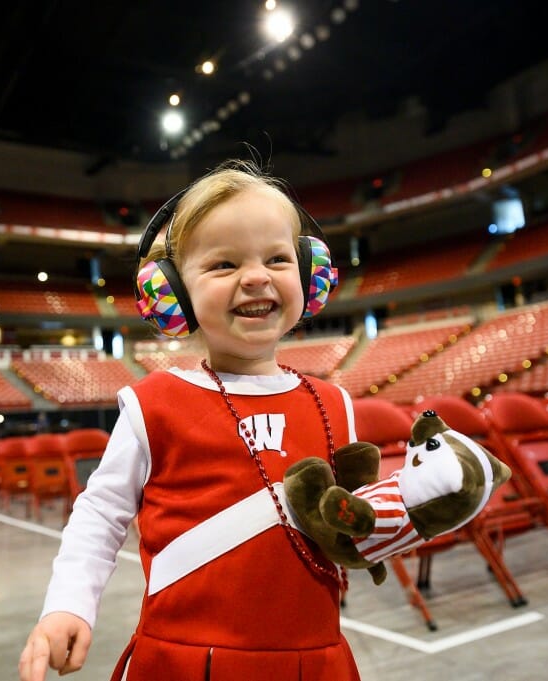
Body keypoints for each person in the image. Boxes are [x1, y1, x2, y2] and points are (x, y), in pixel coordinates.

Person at [19, 159, 365, 680]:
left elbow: (356, 525)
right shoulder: (153, 404)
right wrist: (67, 604)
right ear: (174, 294)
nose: (255, 277)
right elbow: (100, 514)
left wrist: (421, 502)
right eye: (223, 265)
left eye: (276, 258)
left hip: (314, 660)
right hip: (183, 663)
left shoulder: (334, 403)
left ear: (310, 276)